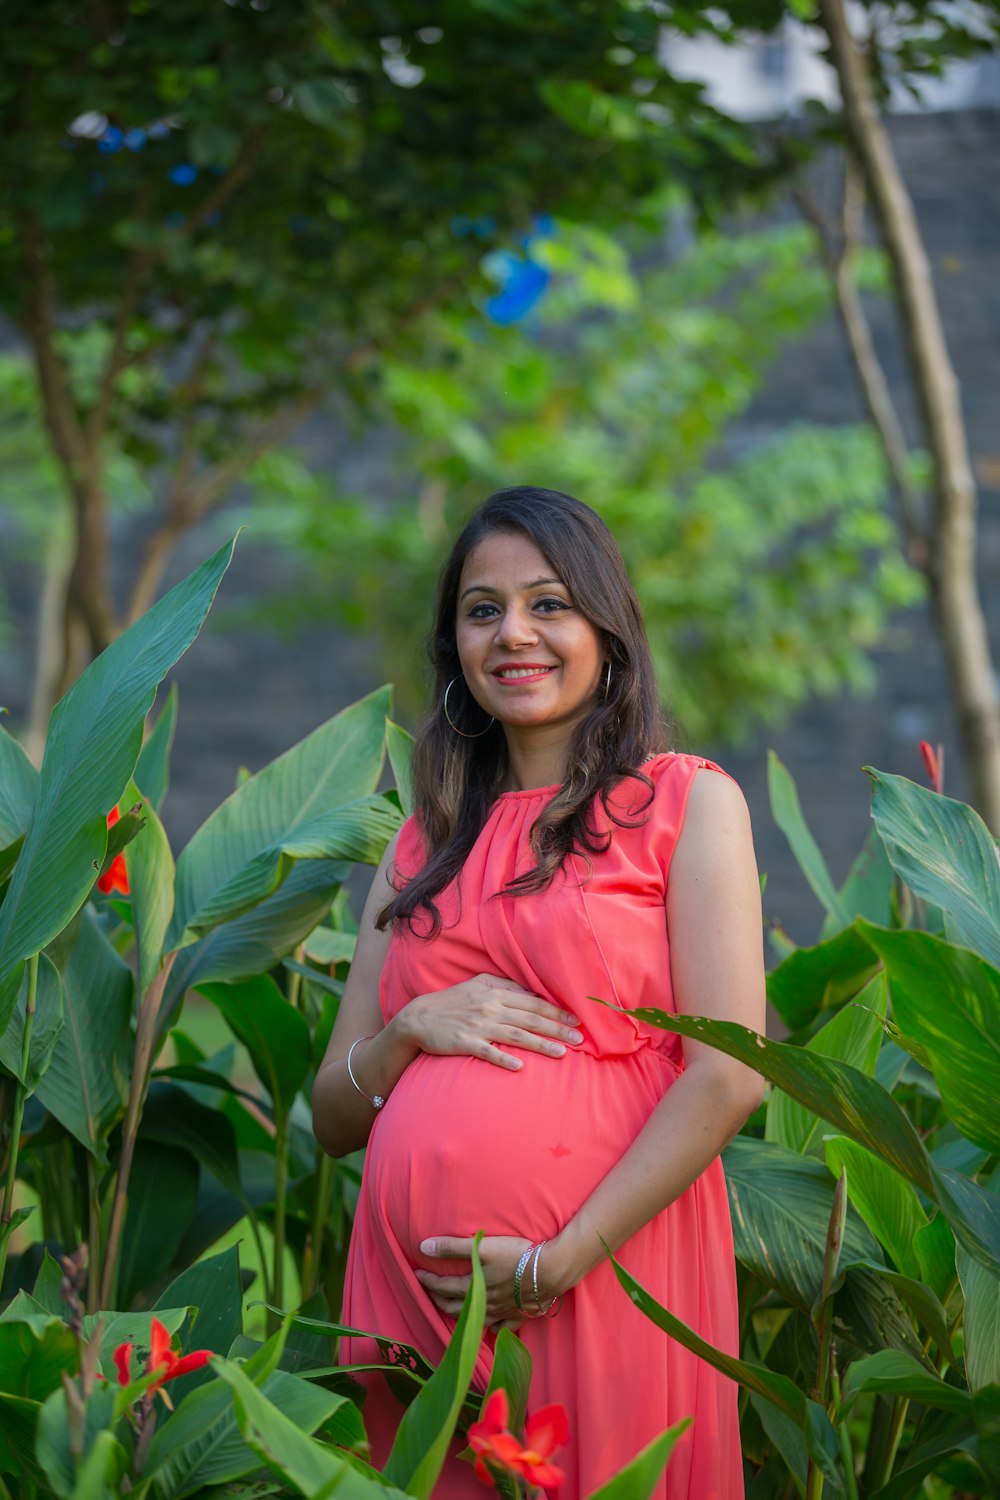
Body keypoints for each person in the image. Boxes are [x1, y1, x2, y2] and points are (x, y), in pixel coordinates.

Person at [312, 487, 765, 1497]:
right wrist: (405, 1036)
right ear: (454, 647)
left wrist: (559, 1258)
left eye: (548, 603)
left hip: (599, 1274)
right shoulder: (421, 841)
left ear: (605, 626)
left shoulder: (686, 804)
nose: (513, 634)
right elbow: (331, 1116)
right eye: (482, 610)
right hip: (419, 1309)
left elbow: (729, 1077)